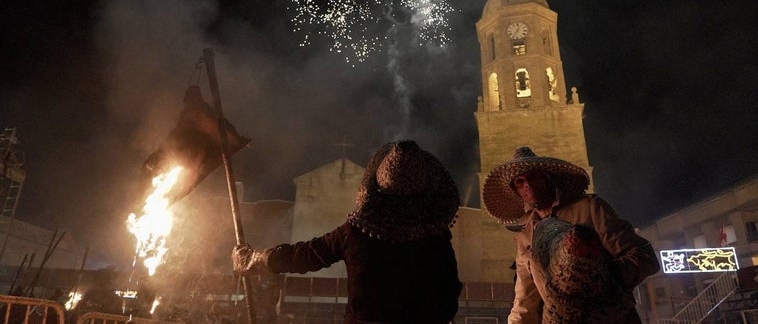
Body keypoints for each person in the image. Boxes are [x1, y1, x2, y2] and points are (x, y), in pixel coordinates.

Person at [232, 140, 462, 324]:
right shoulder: (435, 237)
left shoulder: (359, 233)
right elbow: (449, 295)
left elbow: (307, 255)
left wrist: (257, 260)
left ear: (378, 188)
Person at [482, 147, 660, 324]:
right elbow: (524, 299)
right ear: (516, 191)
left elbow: (643, 256)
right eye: (520, 182)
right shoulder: (526, 235)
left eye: (533, 176)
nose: (527, 184)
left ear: (548, 178)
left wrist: (600, 280)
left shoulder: (590, 209)